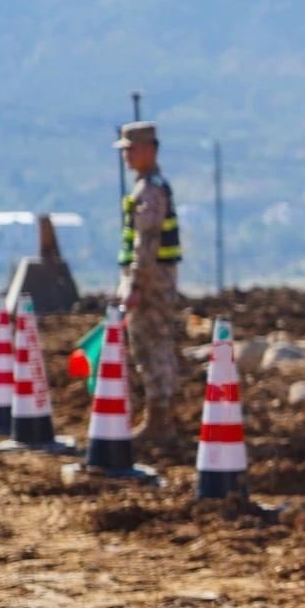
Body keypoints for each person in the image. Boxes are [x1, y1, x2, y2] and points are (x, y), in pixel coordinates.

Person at [115, 122, 183, 443]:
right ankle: (162, 416)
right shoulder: (150, 186)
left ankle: (159, 420)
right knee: (157, 344)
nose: (126, 155)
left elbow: (147, 242)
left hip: (152, 283)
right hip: (157, 280)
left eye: (131, 149)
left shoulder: (150, 190)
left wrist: (135, 285)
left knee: (150, 346)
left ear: (149, 150)